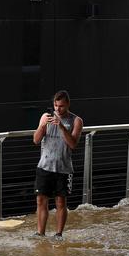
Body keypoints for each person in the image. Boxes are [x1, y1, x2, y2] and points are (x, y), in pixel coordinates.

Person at [32, 90, 83, 238]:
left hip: (63, 168)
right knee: (41, 200)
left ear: (67, 104)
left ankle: (58, 234)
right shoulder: (45, 117)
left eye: (60, 106)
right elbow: (36, 140)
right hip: (44, 165)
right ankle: (40, 233)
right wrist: (42, 126)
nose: (57, 109)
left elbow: (73, 144)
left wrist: (61, 127)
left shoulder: (76, 120)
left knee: (61, 202)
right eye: (55, 105)